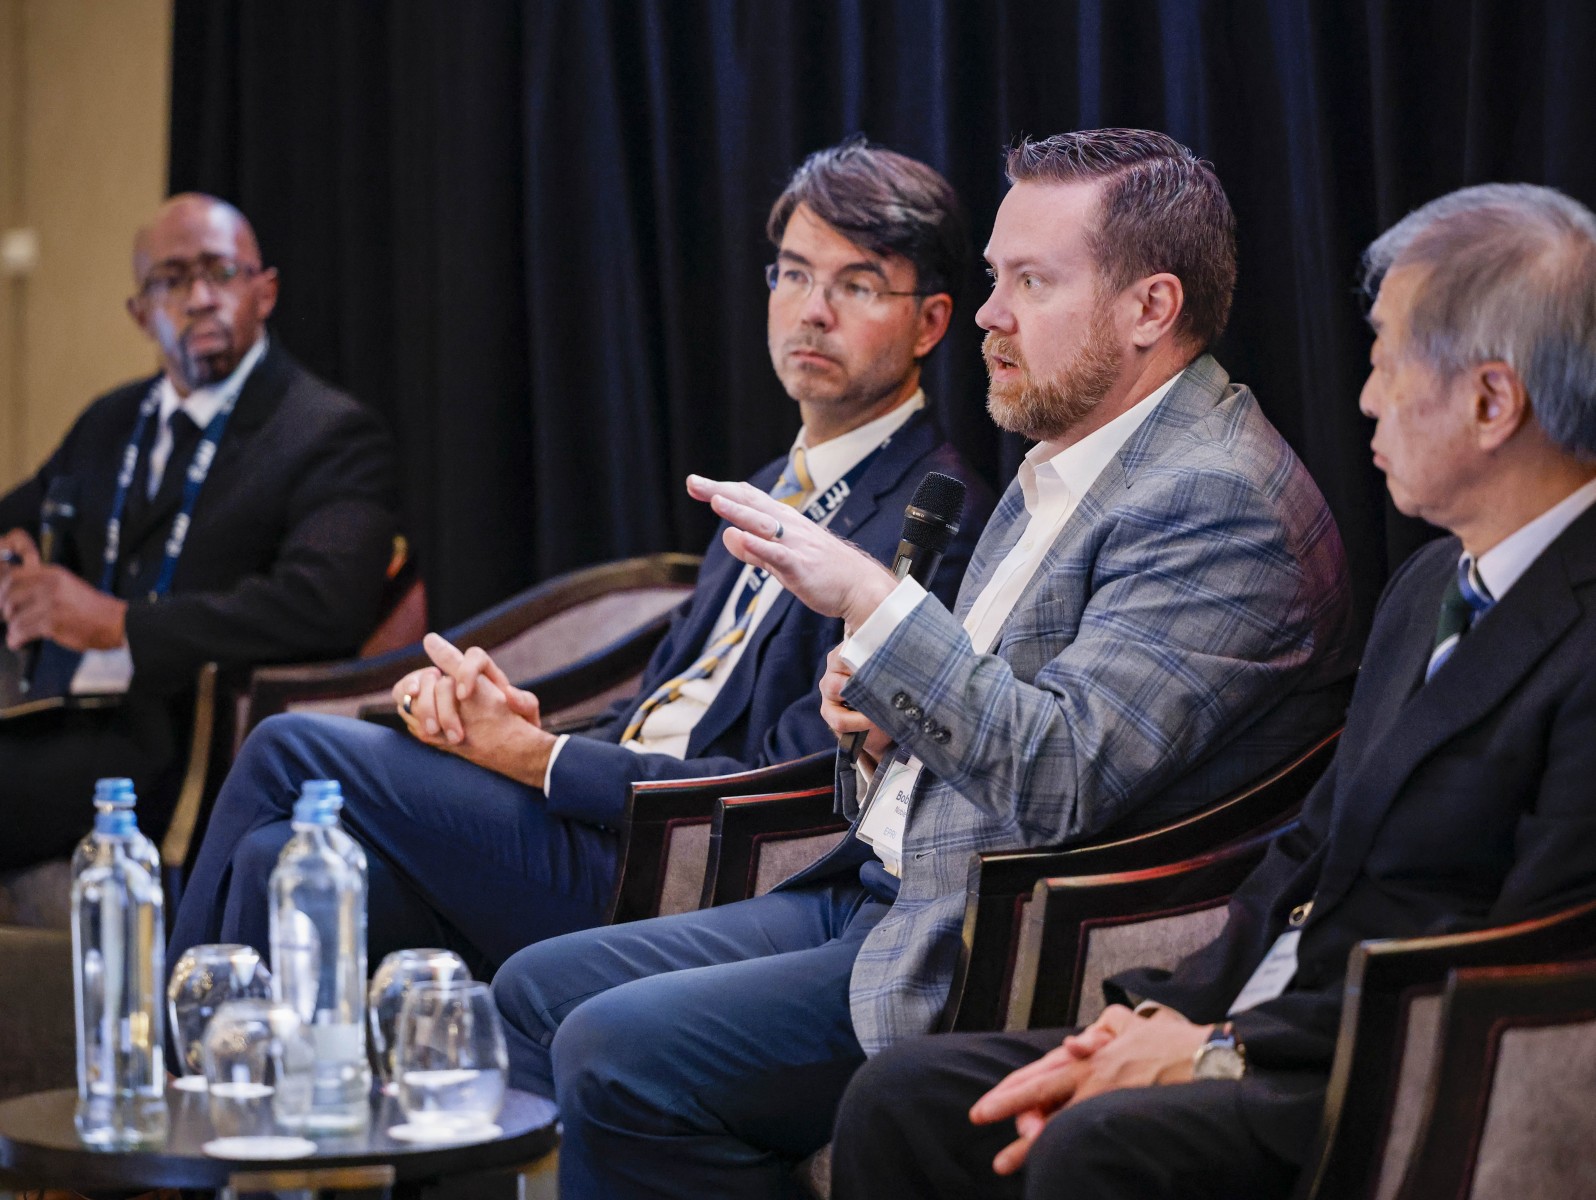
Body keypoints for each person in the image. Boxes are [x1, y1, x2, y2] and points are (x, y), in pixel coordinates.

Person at [490, 128, 1358, 1200]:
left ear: (1151, 308)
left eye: (1031, 282)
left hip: (989, 940)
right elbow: (989, 713)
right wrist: (881, 728)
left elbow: (1059, 776)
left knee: (612, 1048)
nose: (991, 315)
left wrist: (872, 602)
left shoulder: (1216, 500)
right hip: (881, 882)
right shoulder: (1073, 450)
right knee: (533, 990)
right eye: (994, 277)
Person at [828, 180, 1596, 1200]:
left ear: (1492, 402)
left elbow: (1520, 955)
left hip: (1391, 1066)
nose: (1366, 397)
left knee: (1091, 1147)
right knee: (907, 1099)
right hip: (1263, 1021)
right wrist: (1157, 1016)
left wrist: (1218, 1050)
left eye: (1387, 358)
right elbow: (1311, 851)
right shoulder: (1429, 583)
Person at [166, 138, 995, 975]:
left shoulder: (933, 516)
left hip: (682, 867)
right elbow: (666, 704)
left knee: (286, 747)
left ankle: (157, 1048)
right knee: (277, 854)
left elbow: (798, 784)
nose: (813, 310)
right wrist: (517, 723)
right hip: (607, 817)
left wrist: (539, 760)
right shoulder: (772, 484)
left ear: (930, 322)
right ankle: (251, 1062)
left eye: (857, 285)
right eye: (794, 274)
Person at [0, 194, 398, 868]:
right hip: (60, 714)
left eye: (221, 272)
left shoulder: (327, 432)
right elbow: (19, 512)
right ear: (140, 312)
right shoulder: (108, 422)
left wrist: (121, 624)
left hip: (194, 741)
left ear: (265, 293)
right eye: (172, 279)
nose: (201, 298)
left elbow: (324, 604)